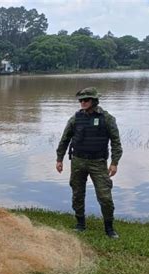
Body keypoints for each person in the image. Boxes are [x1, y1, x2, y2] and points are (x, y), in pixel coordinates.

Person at [56, 87, 122, 239]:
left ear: (94, 101)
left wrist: (114, 162)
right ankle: (80, 224)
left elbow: (116, 142)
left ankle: (109, 228)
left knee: (105, 196)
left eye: (86, 100)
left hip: (98, 162)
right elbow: (65, 139)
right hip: (78, 161)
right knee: (77, 193)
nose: (83, 102)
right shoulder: (75, 118)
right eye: (81, 100)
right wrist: (59, 159)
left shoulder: (107, 118)